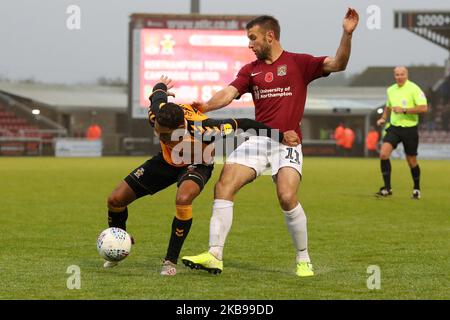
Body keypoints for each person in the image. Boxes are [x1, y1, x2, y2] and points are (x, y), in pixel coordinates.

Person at [182, 10, 359, 277]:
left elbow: (338, 64)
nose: (249, 44)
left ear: (270, 36)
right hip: (257, 139)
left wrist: (347, 33)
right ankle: (215, 255)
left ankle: (303, 258)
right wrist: (205, 106)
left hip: (287, 143)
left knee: (287, 197)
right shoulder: (250, 70)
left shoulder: (299, 63)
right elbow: (229, 93)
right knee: (224, 184)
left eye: (253, 38)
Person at [104, 76, 299, 275]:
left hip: (197, 163)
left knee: (183, 198)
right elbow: (158, 94)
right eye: (157, 132)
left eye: (164, 135)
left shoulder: (205, 129)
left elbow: (245, 123)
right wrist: (161, 86)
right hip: (166, 161)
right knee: (115, 200)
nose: (159, 136)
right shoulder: (157, 115)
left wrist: (281, 136)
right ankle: (119, 244)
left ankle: (170, 261)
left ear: (181, 128)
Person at [375, 66, 428, 199]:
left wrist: (404, 110)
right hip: (394, 128)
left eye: (402, 74)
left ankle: (416, 189)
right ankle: (387, 188)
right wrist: (383, 118)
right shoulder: (390, 90)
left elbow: (423, 108)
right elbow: (388, 106)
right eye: (397, 75)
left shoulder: (414, 89)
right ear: (394, 76)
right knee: (383, 154)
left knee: (411, 161)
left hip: (410, 128)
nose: (399, 77)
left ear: (407, 75)